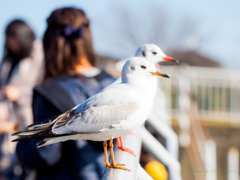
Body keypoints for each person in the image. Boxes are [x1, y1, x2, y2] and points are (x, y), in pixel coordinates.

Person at [16, 7, 115, 180]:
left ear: (50, 45)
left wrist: (24, 137)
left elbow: (44, 155)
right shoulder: (115, 83)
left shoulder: (50, 93)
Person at [0, 20, 43, 179]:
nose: (9, 43)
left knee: (25, 164)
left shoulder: (39, 55)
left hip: (28, 120)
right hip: (7, 123)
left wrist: (19, 93)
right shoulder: (7, 60)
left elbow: (42, 88)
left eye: (12, 38)